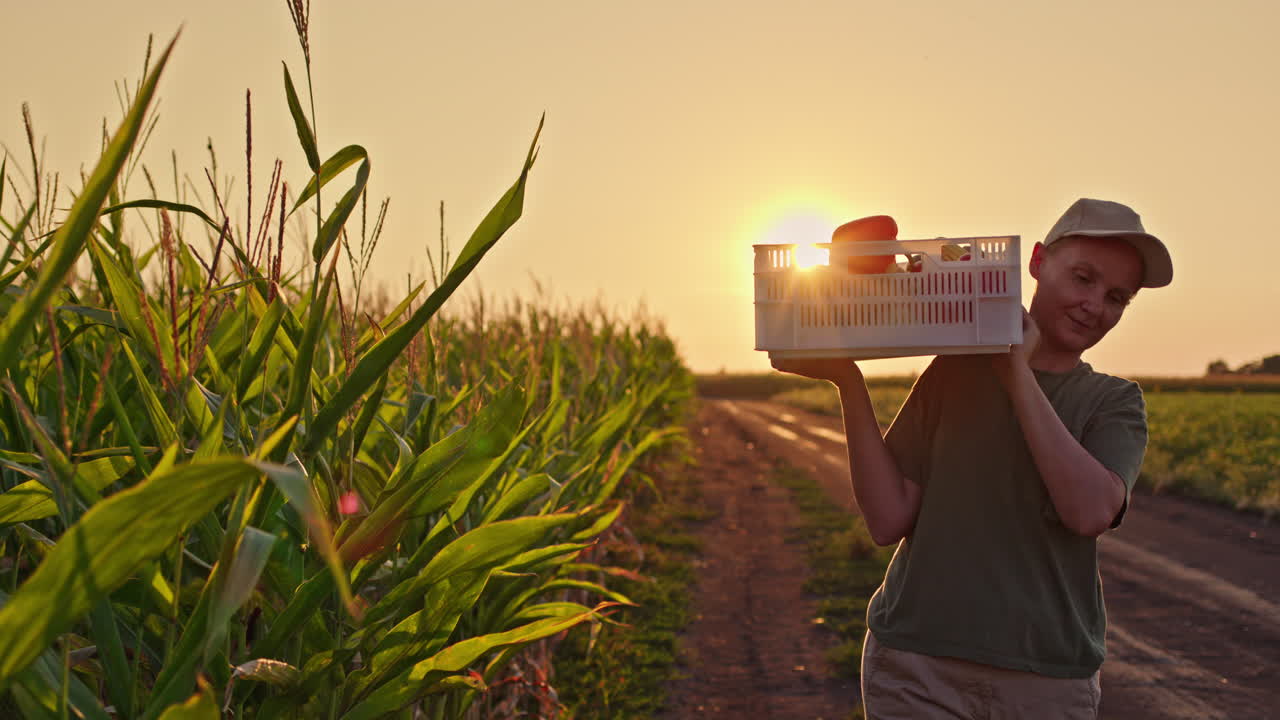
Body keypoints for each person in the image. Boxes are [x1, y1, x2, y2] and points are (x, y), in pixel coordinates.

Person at [772, 198, 1173, 719]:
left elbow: (1088, 512)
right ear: (1036, 262)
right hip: (916, 667)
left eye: (1117, 297)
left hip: (1045, 681)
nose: (1094, 305)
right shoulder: (956, 373)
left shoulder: (1114, 402)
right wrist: (847, 380)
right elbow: (887, 518)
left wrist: (1015, 371)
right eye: (1082, 277)